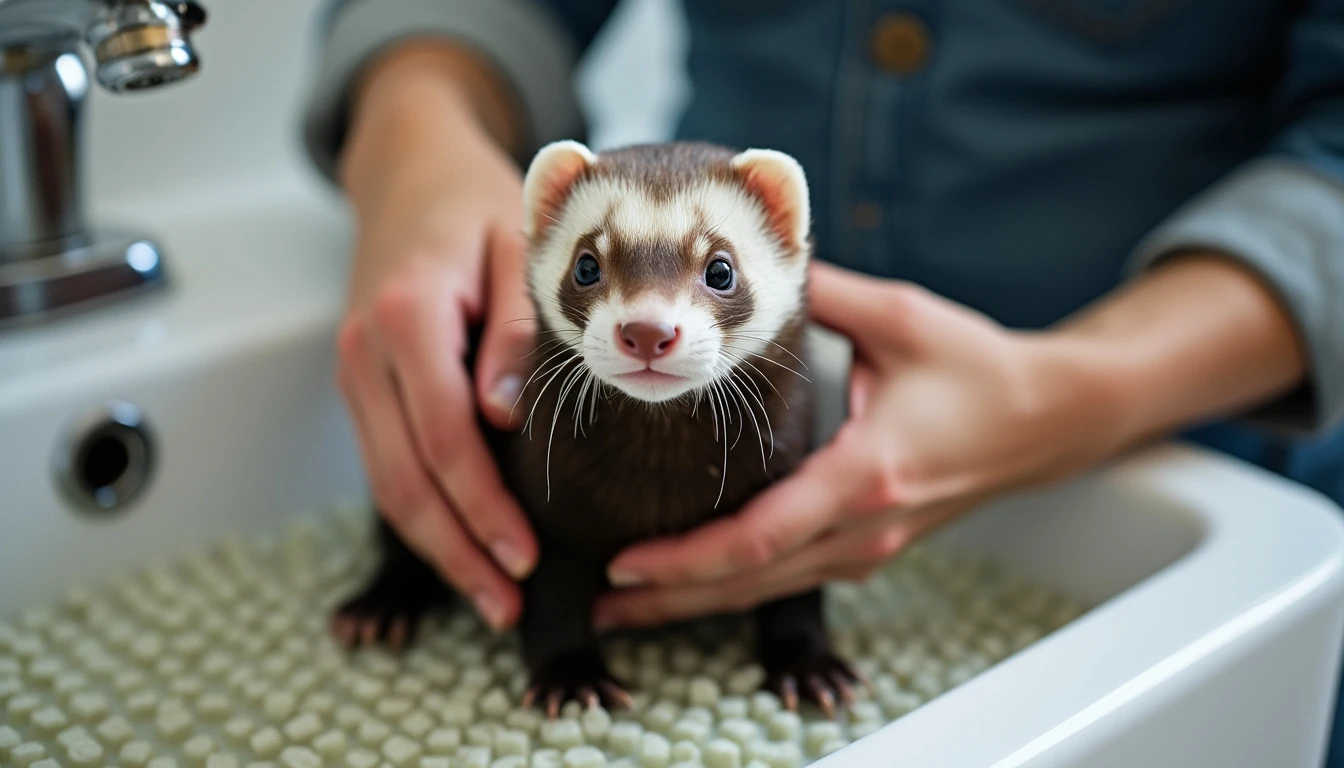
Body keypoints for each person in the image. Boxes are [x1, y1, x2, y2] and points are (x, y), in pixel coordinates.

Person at [300, 0, 1344, 758]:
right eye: (589, 270)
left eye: (714, 275)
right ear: (545, 238)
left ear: (780, 241)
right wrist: (418, 135)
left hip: (1206, 454)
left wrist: (1089, 385)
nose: (654, 319)